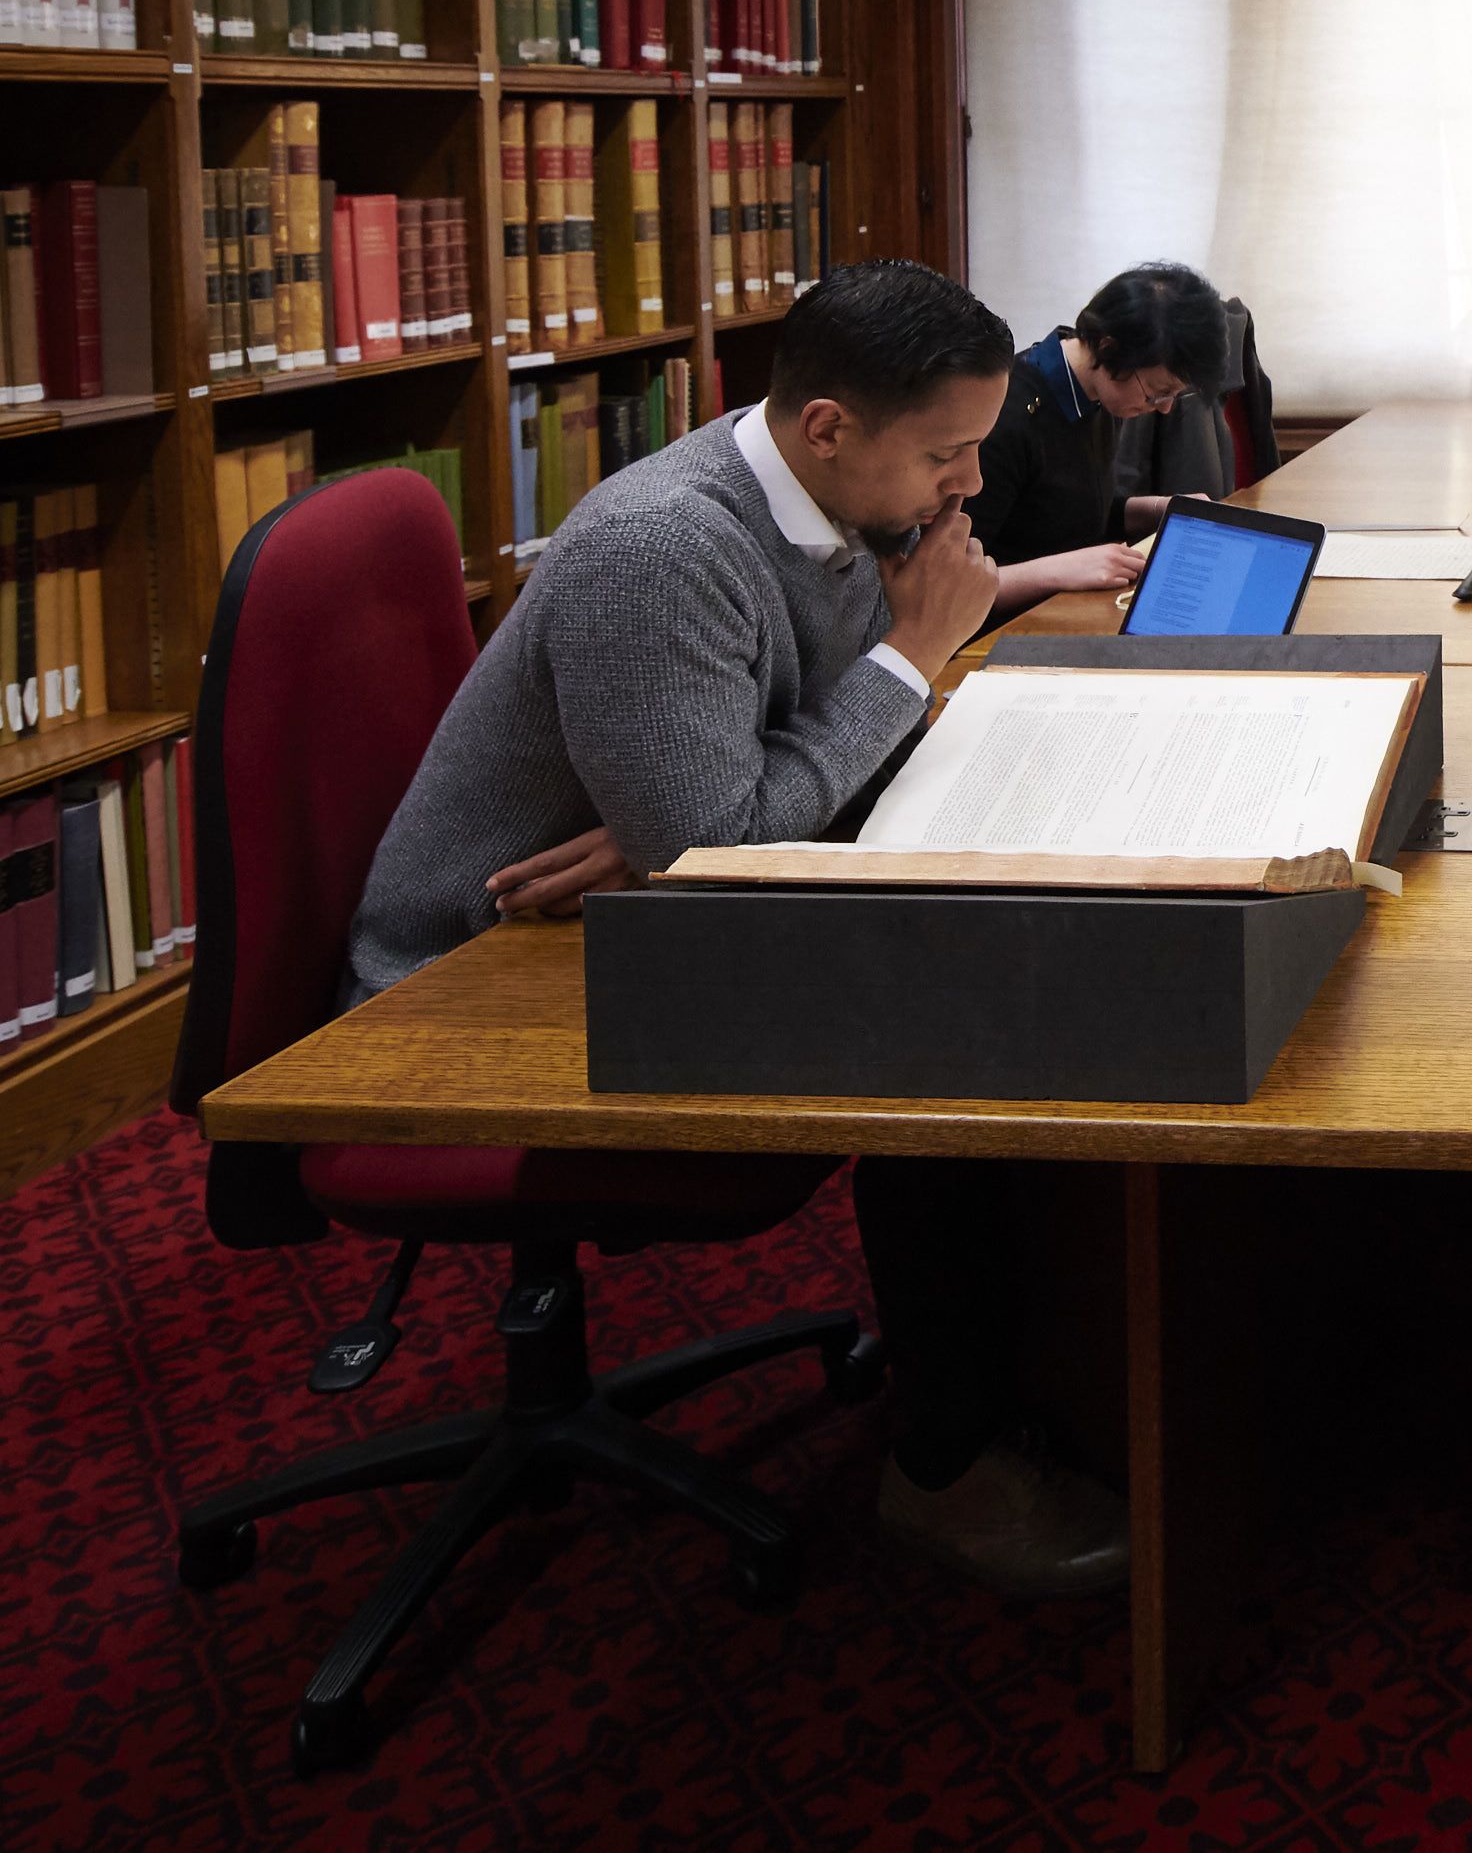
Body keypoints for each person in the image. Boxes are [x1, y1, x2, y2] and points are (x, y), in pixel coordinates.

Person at [345, 261, 1131, 1596]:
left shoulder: (840, 504)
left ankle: (1044, 1357)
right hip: (477, 974)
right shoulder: (665, 545)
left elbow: (733, 802)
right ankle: (944, 1467)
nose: (971, 489)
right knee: (946, 1050)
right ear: (826, 427)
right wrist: (899, 666)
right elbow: (717, 838)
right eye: (944, 454)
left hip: (649, 906)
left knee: (1016, 954)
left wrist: (713, 805)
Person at [969, 263, 1232, 616]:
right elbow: (949, 585)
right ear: (1109, 349)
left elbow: (1066, 513)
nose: (1164, 409)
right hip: (1001, 633)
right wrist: (1059, 571)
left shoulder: (1095, 395)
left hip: (1071, 612)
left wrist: (1162, 509)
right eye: (1157, 392)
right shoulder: (1006, 416)